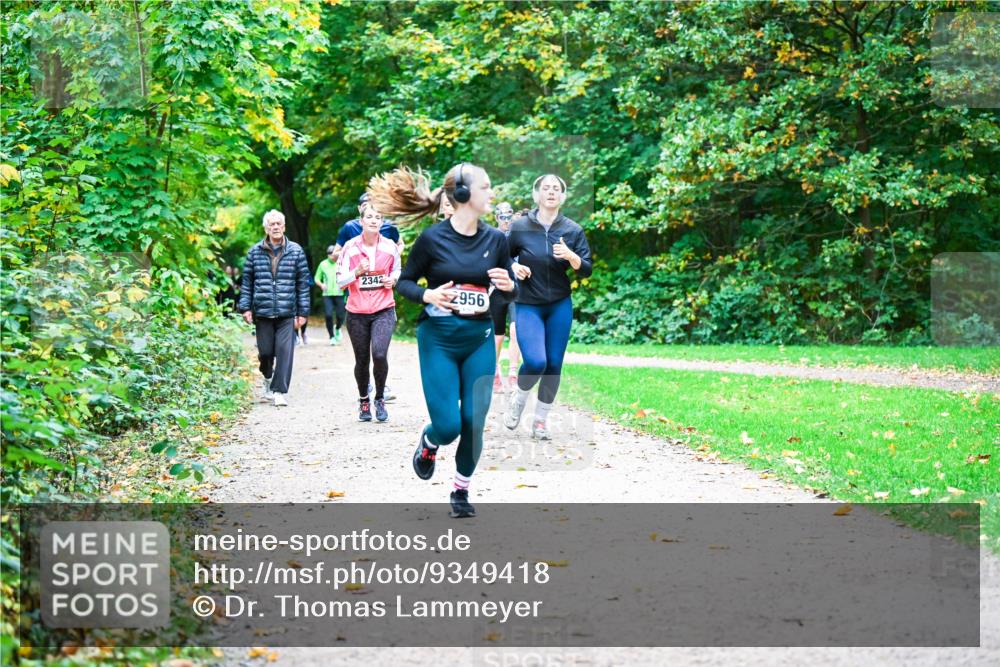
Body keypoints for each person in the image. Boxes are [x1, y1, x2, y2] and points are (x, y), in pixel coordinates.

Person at [369, 162, 516, 519]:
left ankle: (460, 490)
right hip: (438, 340)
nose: (492, 193)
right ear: (463, 194)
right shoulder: (432, 239)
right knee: (449, 426)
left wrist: (510, 286)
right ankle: (430, 440)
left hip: (479, 339)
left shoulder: (496, 240)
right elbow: (404, 282)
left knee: (474, 421)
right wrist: (428, 295)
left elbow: (509, 290)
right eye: (485, 187)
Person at [503, 174, 592, 439]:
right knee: (536, 361)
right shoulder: (520, 226)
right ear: (537, 194)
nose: (551, 192)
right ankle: (519, 399)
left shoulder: (572, 230)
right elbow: (502, 256)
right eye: (546, 188)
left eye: (556, 189)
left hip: (559, 305)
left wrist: (572, 256)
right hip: (528, 303)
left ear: (562, 196)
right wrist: (514, 267)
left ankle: (540, 420)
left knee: (553, 363)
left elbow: (586, 268)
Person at [239, 209, 311, 407]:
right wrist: (245, 308)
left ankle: (279, 391)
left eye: (279, 223)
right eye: (272, 224)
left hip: (287, 312)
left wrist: (303, 312)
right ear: (266, 228)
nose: (276, 227)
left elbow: (302, 284)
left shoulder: (296, 251)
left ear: (284, 227)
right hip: (263, 312)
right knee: (265, 353)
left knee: (285, 352)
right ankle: (267, 378)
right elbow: (247, 283)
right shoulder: (254, 252)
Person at [336, 205, 401, 423]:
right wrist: (356, 272)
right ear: (361, 221)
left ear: (382, 222)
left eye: (378, 217)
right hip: (357, 312)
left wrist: (393, 279)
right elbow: (340, 281)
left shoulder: (390, 246)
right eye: (370, 217)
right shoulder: (350, 247)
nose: (374, 220)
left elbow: (397, 270)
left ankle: (379, 398)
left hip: (384, 309)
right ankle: (364, 399)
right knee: (362, 360)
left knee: (380, 354)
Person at [488, 202, 520, 392]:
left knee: (516, 330)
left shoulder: (519, 235)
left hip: (516, 289)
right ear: (496, 217)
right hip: (497, 289)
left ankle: (513, 374)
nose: (506, 220)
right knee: (497, 335)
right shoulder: (491, 236)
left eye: (509, 216)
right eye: (503, 217)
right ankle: (494, 372)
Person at [315, 245, 346, 345]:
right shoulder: (323, 264)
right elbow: (316, 278)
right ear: (328, 255)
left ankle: (337, 328)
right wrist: (321, 284)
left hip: (339, 293)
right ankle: (332, 337)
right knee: (328, 315)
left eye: (335, 255)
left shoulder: (342, 263)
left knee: (341, 315)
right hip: (327, 294)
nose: (334, 257)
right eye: (332, 255)